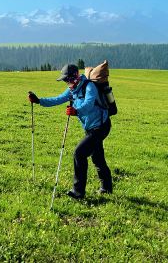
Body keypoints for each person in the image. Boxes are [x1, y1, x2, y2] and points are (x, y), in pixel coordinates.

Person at [28, 63, 113, 200]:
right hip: (91, 127)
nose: (67, 83)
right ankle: (107, 188)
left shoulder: (89, 87)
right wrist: (39, 101)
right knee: (97, 157)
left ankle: (78, 192)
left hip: (101, 127)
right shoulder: (73, 90)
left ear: (76, 76)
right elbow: (58, 99)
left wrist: (76, 111)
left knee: (79, 153)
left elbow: (89, 103)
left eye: (68, 79)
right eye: (65, 80)